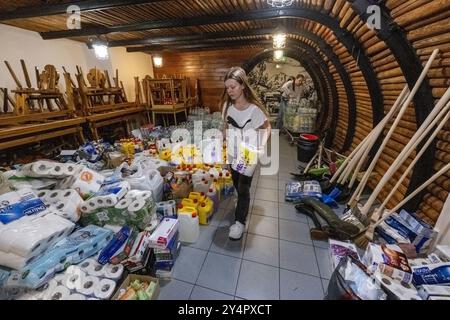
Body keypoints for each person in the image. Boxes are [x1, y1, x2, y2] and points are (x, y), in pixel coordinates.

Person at [220, 66, 271, 240]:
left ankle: (240, 222)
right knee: (236, 182)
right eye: (227, 87)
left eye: (233, 86)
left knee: (243, 187)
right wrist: (223, 143)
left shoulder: (254, 110)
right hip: (233, 153)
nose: (230, 90)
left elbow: (267, 127)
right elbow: (225, 126)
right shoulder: (227, 106)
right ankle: (240, 202)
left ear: (242, 85)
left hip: (249, 153)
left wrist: (262, 146)